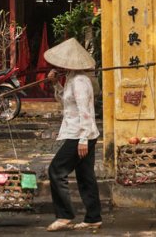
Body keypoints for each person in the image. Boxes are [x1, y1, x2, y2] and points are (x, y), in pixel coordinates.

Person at [43, 38, 102, 232]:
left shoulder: (80, 81)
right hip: (80, 133)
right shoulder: (70, 79)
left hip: (80, 134)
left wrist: (84, 139)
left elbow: (85, 110)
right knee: (85, 175)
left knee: (56, 170)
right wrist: (55, 84)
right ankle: (93, 217)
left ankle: (64, 215)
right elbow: (66, 103)